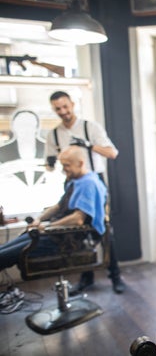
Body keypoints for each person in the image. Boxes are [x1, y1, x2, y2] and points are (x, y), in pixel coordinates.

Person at [45, 91, 125, 294]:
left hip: (94, 181)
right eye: (57, 109)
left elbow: (113, 153)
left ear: (72, 104)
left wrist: (89, 145)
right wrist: (51, 163)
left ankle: (115, 277)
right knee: (77, 233)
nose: (63, 112)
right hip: (72, 184)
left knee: (104, 229)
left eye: (65, 106)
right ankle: (86, 278)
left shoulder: (90, 127)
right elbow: (49, 164)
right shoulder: (54, 134)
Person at [0, 146, 107, 270]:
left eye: (67, 165)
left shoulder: (89, 184)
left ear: (80, 163)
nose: (64, 170)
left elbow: (78, 219)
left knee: (2, 257)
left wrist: (47, 227)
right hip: (53, 235)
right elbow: (58, 206)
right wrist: (38, 219)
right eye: (62, 166)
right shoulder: (76, 181)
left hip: (66, 240)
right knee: (2, 249)